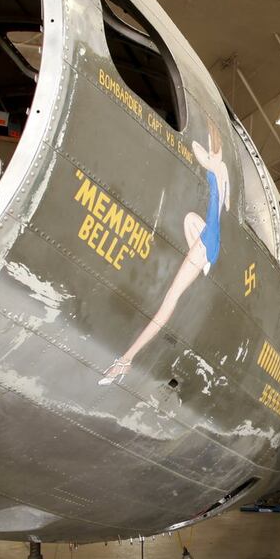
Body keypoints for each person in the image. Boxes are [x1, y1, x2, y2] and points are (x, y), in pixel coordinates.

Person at [99, 119, 230, 385]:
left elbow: (196, 149)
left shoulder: (214, 162)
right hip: (209, 236)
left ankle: (126, 360)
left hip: (208, 241)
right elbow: (224, 204)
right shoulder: (223, 168)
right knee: (190, 219)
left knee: (169, 300)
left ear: (213, 145)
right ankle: (202, 261)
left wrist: (206, 136)